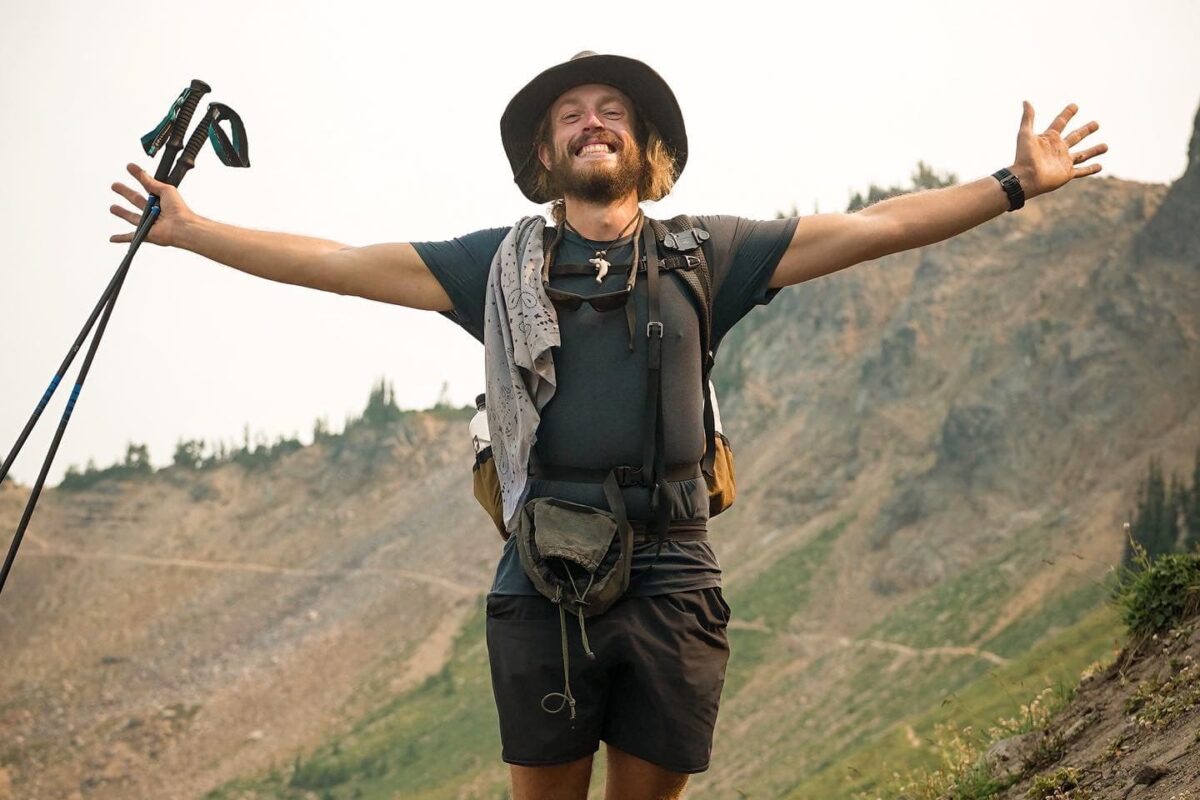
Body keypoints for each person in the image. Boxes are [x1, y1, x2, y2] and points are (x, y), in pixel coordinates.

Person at [109, 51, 1106, 800]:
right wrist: (193, 232)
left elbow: (877, 227)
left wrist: (1013, 185)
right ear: (546, 154)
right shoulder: (492, 264)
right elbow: (339, 260)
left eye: (613, 111)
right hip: (544, 569)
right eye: (571, 116)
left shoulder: (707, 251)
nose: (593, 122)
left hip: (674, 566)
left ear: (643, 148)